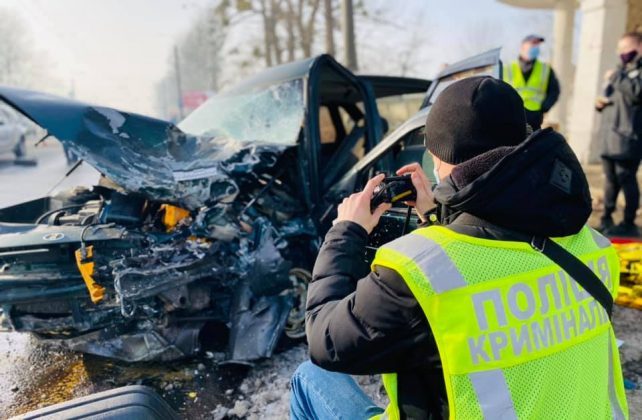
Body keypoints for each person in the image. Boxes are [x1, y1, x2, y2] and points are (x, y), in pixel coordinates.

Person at [290, 76, 628, 419]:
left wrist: (345, 230)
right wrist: (440, 217)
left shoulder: (415, 275)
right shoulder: (594, 247)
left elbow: (326, 340)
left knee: (310, 377)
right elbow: (501, 242)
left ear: (439, 157)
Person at [596, 32, 642, 237]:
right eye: (619, 49)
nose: (621, 53)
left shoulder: (634, 72)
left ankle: (629, 222)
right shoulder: (621, 70)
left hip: (628, 137)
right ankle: (606, 218)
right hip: (609, 136)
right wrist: (600, 104)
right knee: (610, 180)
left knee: (626, 178)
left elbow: (637, 92)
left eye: (625, 48)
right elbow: (611, 97)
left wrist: (616, 77)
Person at [503, 34, 560, 130]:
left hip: (534, 118)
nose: (536, 47)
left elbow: (554, 91)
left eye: (538, 45)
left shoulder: (545, 69)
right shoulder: (507, 69)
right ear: (523, 46)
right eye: (533, 44)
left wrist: (543, 108)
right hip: (511, 117)